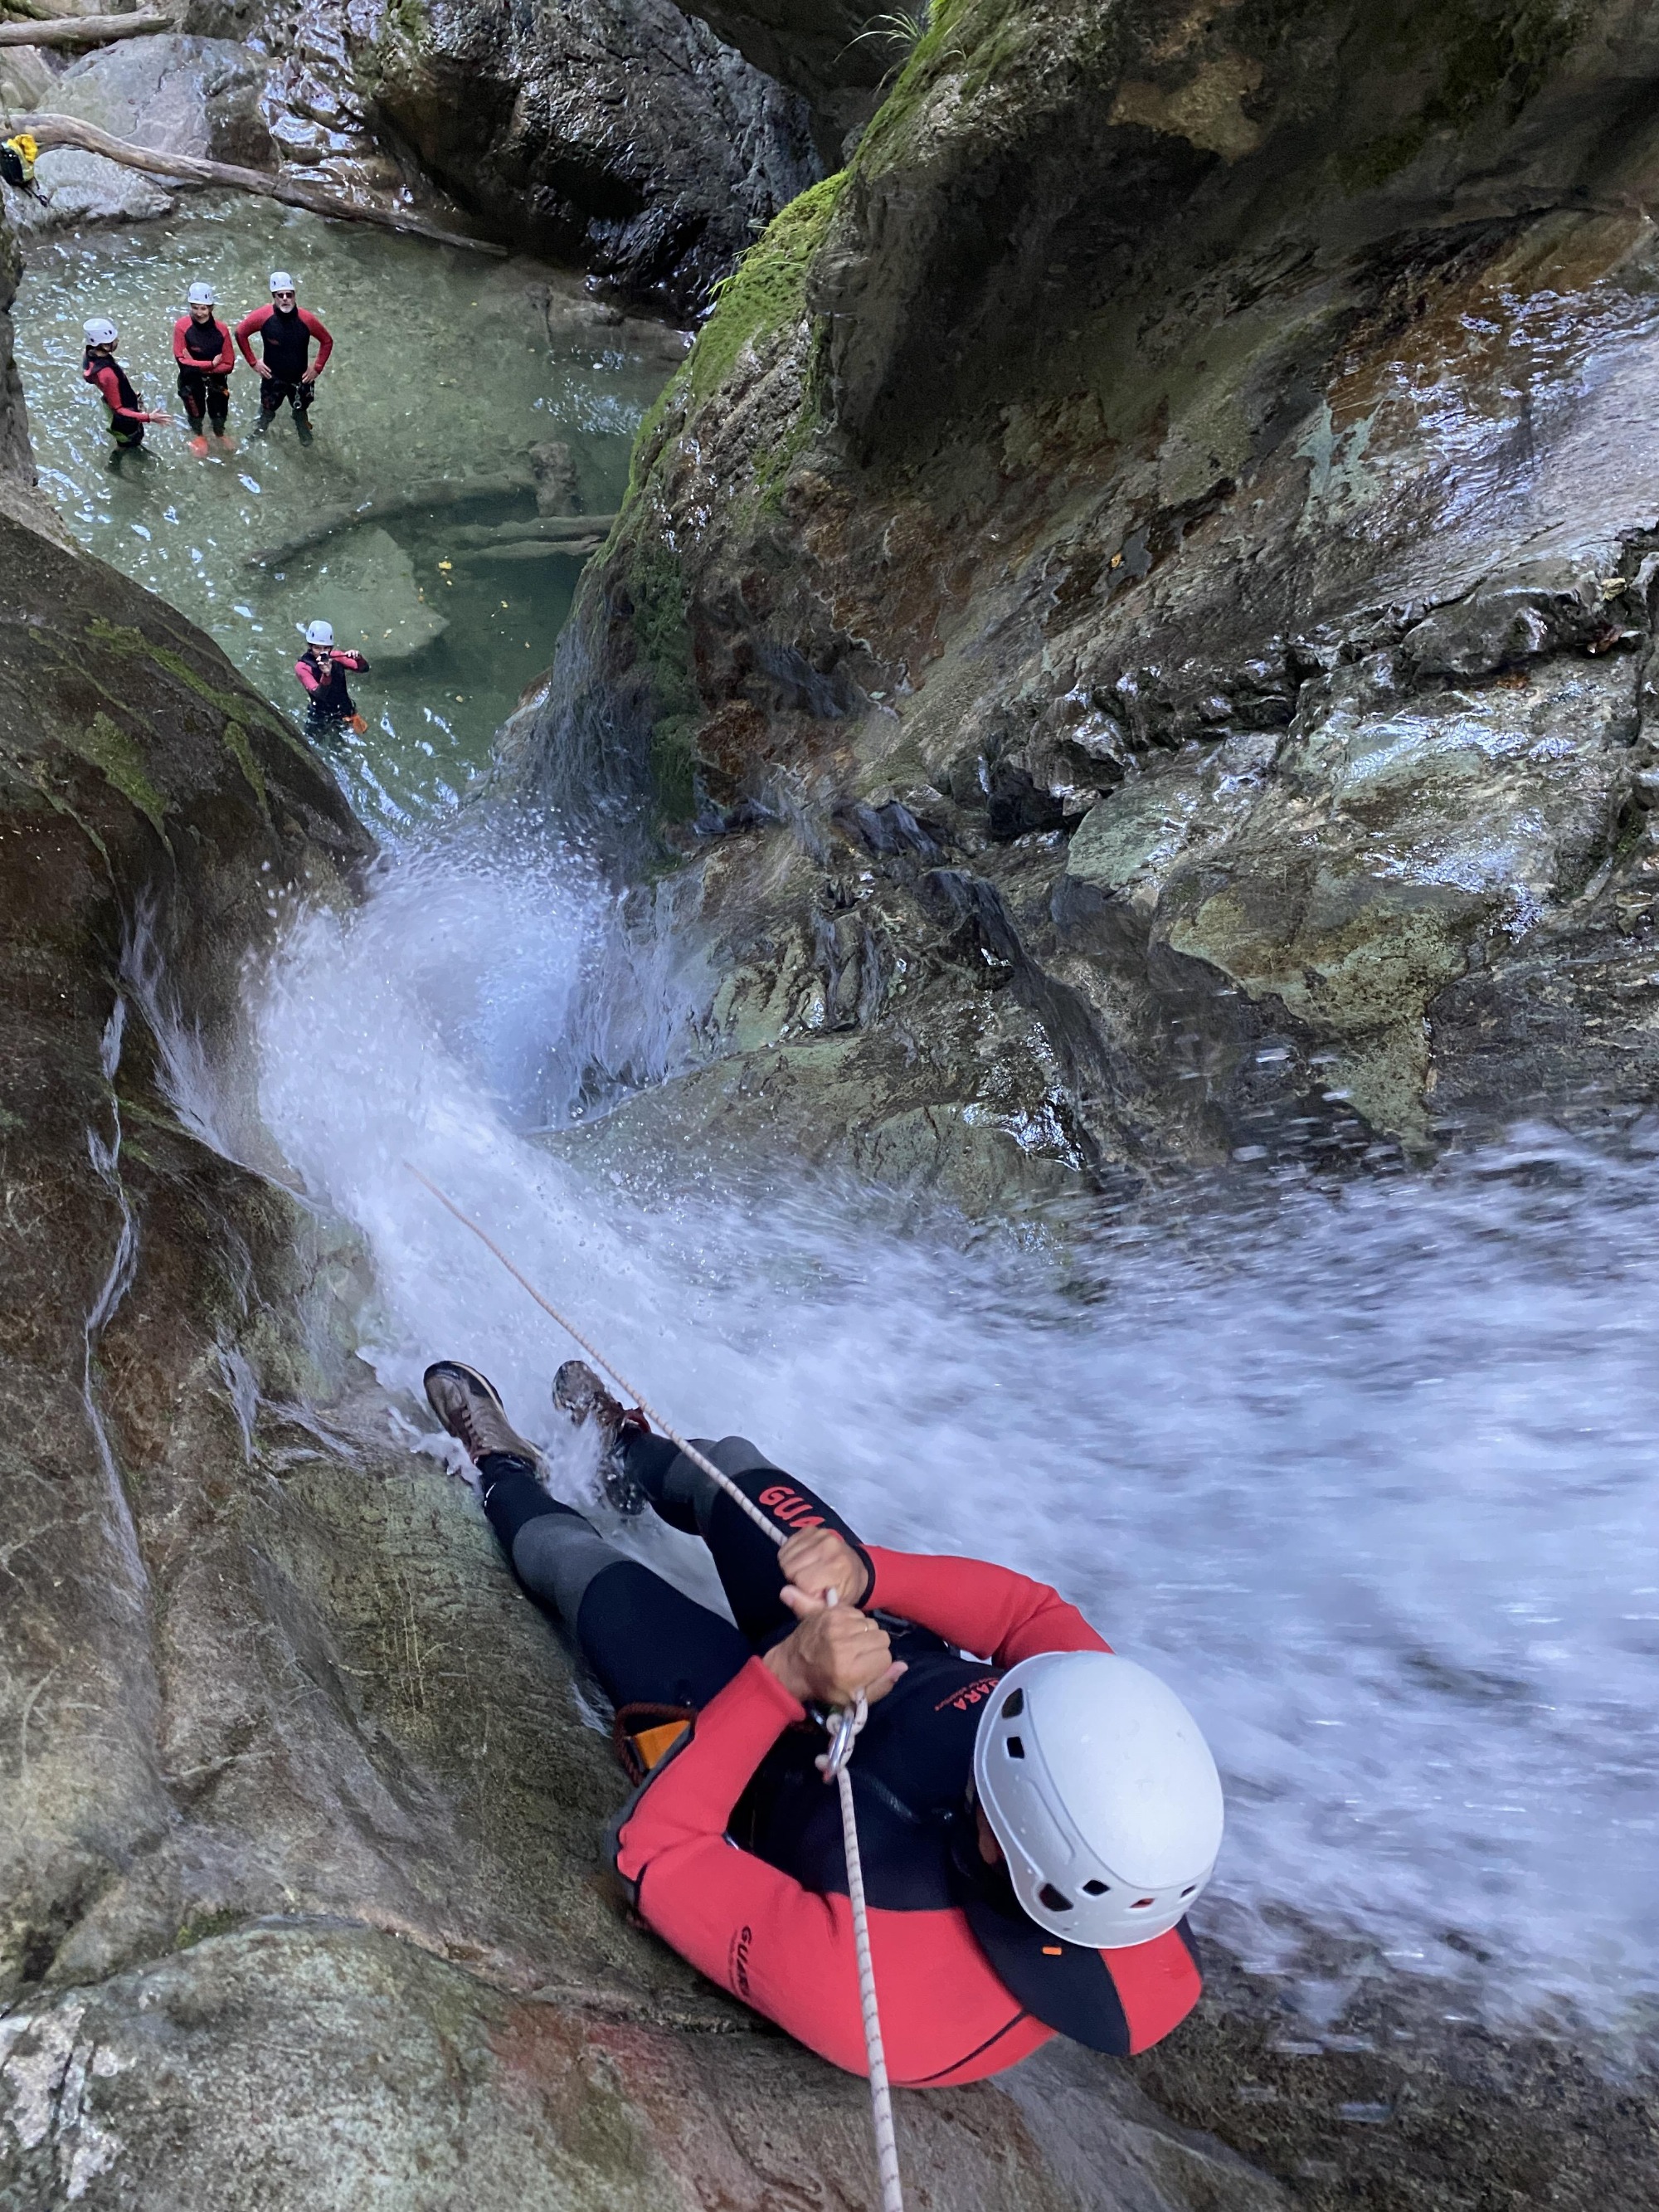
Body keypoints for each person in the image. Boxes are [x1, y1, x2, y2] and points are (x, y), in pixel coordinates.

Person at [422, 1357, 1225, 2085]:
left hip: (760, 1766)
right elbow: (1028, 1615)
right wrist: (867, 1570)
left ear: (1016, 1855)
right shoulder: (1112, 1744)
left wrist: (783, 1678)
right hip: (874, 1641)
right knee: (730, 1467)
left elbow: (645, 1851)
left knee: (577, 1569)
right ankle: (622, 1451)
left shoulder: (877, 1996)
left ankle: (502, 1469)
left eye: (986, 1781)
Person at [235, 271, 333, 443]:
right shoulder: (264, 317)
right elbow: (240, 333)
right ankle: (262, 427)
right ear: (274, 297)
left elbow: (327, 341)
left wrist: (317, 368)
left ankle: (302, 425)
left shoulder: (306, 319)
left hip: (301, 378)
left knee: (301, 409)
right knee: (268, 408)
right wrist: (253, 362)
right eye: (281, 295)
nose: (285, 299)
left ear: (295, 296)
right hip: (272, 377)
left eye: (289, 295)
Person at [81, 319, 168, 466]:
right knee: (130, 442)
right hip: (122, 417)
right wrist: (148, 417)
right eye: (114, 340)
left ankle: (118, 459)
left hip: (113, 403)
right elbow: (119, 410)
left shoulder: (89, 356)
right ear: (104, 344)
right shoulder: (107, 374)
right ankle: (114, 465)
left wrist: (131, 396)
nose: (118, 341)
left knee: (125, 441)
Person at [173, 281, 236, 457]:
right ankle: (199, 435)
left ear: (211, 308)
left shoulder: (221, 330)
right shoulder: (182, 327)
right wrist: (210, 365)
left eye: (203, 308)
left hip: (215, 379)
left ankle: (219, 433)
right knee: (195, 410)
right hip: (190, 380)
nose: (199, 313)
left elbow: (229, 365)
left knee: (220, 410)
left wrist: (196, 365)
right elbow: (181, 359)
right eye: (195, 308)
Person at [294, 620, 368, 742]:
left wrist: (358, 658)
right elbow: (319, 694)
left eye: (326, 648)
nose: (322, 653)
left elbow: (364, 669)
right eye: (317, 648)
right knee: (312, 742)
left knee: (344, 746)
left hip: (344, 710)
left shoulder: (337, 657)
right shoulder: (302, 667)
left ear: (331, 648)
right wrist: (326, 674)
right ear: (310, 647)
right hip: (320, 714)